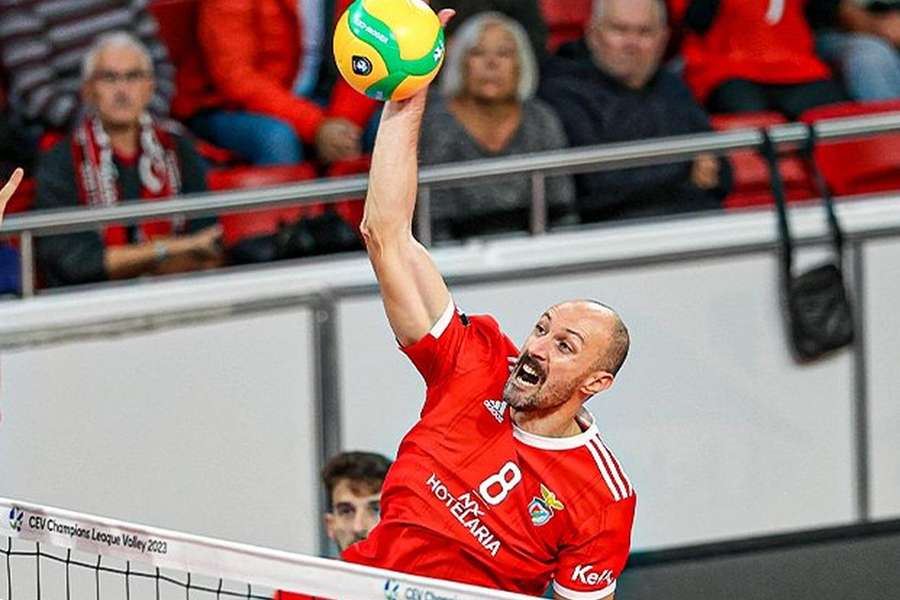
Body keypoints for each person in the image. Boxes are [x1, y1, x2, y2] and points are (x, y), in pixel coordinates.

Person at [342, 9, 636, 600]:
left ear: (596, 383)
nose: (537, 347)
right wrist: (408, 95)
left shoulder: (601, 498)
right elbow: (387, 236)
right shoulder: (475, 363)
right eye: (543, 328)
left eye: (565, 346)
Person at [34, 33, 223, 289]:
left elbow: (207, 247)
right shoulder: (59, 160)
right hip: (89, 309)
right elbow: (75, 264)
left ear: (150, 87)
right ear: (88, 90)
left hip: (176, 295)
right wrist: (168, 249)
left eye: (133, 77)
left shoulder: (179, 148)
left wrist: (127, 263)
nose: (122, 90)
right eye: (109, 78)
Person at [539, 0, 730, 223]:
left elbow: (720, 169)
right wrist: (684, 167)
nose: (632, 43)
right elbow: (594, 185)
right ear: (592, 32)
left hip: (698, 229)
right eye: (619, 30)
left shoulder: (673, 87)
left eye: (645, 32)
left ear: (663, 39)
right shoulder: (561, 90)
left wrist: (709, 170)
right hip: (613, 240)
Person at [419, 12, 575, 242]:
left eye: (504, 53)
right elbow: (431, 219)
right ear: (461, 63)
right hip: (452, 259)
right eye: (477, 53)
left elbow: (562, 212)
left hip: (537, 255)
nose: (491, 64)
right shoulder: (435, 123)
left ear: (521, 65)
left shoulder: (542, 119)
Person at [172, 0, 378, 167]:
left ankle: (368, 217)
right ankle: (289, 219)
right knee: (277, 139)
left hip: (319, 99)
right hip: (223, 106)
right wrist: (316, 126)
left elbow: (370, 54)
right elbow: (236, 77)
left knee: (388, 122)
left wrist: (343, 123)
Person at [0, 0, 174, 147]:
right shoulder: (19, 4)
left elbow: (159, 65)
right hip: (62, 131)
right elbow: (36, 91)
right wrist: (108, 128)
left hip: (143, 118)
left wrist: (145, 119)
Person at [679, 0, 846, 118]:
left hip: (797, 67)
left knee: (838, 119)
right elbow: (694, 20)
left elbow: (824, 13)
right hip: (726, 69)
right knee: (748, 120)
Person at [274, 451, 393, 600]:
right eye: (346, 511)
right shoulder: (294, 593)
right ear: (330, 525)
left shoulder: (422, 591)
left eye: (375, 509)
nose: (359, 527)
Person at [809, 0, 900, 101]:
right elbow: (840, 12)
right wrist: (878, 26)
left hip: (889, 31)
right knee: (869, 58)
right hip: (839, 33)